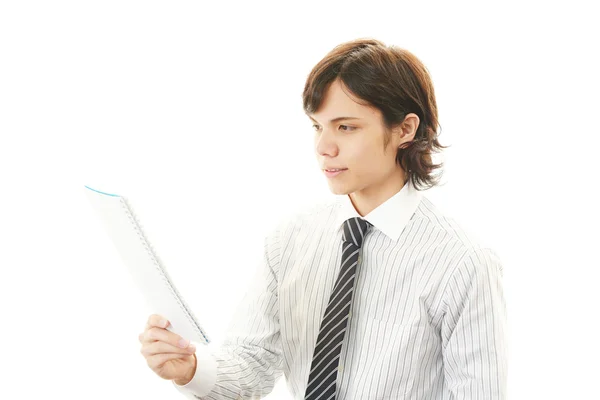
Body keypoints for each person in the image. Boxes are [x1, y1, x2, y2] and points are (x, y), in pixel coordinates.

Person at [138, 38, 507, 399]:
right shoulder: (291, 240)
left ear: (405, 130)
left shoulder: (462, 263)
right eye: (318, 126)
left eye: (346, 127)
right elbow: (252, 364)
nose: (323, 147)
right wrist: (190, 369)